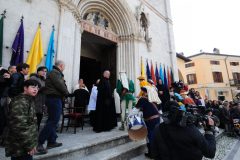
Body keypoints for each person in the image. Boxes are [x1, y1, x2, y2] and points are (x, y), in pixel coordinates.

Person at [152, 101, 216, 160]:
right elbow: (210, 152)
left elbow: (155, 153)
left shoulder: (158, 128)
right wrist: (209, 130)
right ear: (180, 111)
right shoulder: (189, 128)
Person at [37, 60, 69, 154]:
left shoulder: (54, 72)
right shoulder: (55, 72)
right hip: (54, 99)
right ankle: (39, 142)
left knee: (52, 120)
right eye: (64, 66)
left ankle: (51, 141)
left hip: (53, 98)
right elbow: (60, 84)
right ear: (61, 65)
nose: (64, 68)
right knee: (53, 120)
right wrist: (67, 93)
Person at [5, 80, 40, 160]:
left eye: (37, 88)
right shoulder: (20, 102)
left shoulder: (28, 100)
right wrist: (29, 145)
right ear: (25, 88)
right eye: (33, 87)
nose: (35, 89)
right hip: (20, 145)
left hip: (24, 144)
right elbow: (19, 126)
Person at [135, 86, 160, 158]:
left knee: (150, 137)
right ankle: (156, 152)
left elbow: (136, 109)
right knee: (156, 136)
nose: (142, 92)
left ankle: (152, 154)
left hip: (150, 121)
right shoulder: (154, 99)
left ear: (146, 92)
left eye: (143, 91)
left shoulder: (142, 99)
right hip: (157, 119)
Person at [30, 66, 47, 131]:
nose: (44, 72)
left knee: (39, 119)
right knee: (34, 119)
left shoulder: (43, 79)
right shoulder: (33, 78)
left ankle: (35, 135)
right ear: (38, 71)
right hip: (35, 100)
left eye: (45, 71)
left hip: (42, 102)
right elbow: (32, 89)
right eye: (42, 71)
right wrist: (42, 88)